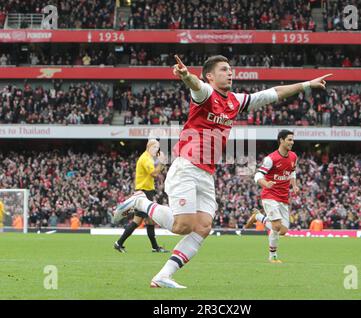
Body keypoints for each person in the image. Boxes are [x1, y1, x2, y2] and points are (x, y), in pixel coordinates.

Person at [114, 55, 332, 288]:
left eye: (231, 69)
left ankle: (163, 276)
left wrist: (307, 84)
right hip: (186, 165)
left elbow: (273, 93)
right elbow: (195, 86)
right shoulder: (206, 93)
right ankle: (140, 202)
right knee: (182, 226)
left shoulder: (236, 101)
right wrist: (187, 76)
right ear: (210, 76)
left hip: (206, 173)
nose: (231, 73)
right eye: (224, 69)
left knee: (204, 227)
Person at [244, 130, 299, 263]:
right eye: (289, 140)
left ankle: (258, 217)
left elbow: (292, 172)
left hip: (283, 197)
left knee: (282, 230)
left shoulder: (293, 157)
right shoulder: (271, 159)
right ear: (281, 140)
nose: (292, 142)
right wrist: (265, 184)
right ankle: (272, 257)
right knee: (277, 225)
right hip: (270, 195)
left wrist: (295, 185)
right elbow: (258, 175)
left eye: (292, 140)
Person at [113, 139, 169, 253]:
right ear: (149, 147)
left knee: (148, 221)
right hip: (144, 193)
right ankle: (119, 243)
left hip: (146, 192)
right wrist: (162, 162)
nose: (157, 150)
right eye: (155, 147)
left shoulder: (147, 158)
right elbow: (154, 174)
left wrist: (161, 163)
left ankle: (154, 247)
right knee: (138, 221)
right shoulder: (145, 159)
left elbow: (155, 172)